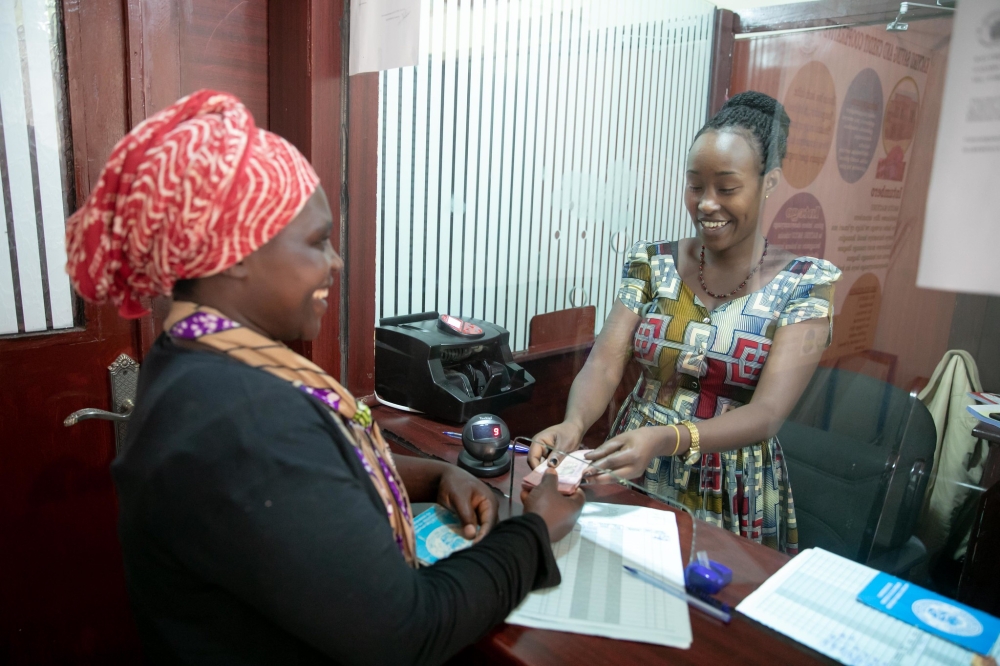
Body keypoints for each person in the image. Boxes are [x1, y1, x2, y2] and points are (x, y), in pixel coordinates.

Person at [65, 90, 584, 665]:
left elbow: (306, 478)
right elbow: (406, 632)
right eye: (317, 242)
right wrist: (535, 531)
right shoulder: (240, 414)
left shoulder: (194, 358)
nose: (336, 262)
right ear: (235, 251)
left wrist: (433, 475)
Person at [528, 91, 841, 554]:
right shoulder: (652, 263)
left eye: (727, 188)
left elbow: (768, 413)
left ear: (769, 182)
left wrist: (669, 438)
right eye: (695, 186)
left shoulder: (806, 284)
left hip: (731, 481)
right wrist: (574, 424)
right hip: (636, 461)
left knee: (714, 608)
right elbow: (606, 361)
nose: (706, 204)